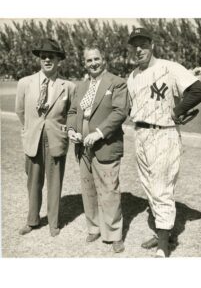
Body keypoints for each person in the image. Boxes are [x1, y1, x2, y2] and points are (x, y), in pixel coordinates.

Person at [127, 27, 201, 257]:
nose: (139, 49)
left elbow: (199, 90)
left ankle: (163, 246)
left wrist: (178, 109)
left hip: (163, 134)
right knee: (149, 187)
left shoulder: (169, 67)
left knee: (162, 188)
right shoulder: (132, 76)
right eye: (135, 45)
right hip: (140, 134)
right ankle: (163, 232)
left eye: (143, 43)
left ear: (152, 45)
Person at [67, 44, 129, 253]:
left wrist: (99, 133)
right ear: (84, 63)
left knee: (109, 190)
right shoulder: (81, 86)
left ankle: (114, 234)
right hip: (82, 147)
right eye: (88, 60)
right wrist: (71, 130)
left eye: (96, 59)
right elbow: (73, 111)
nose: (92, 63)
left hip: (106, 144)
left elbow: (120, 112)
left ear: (104, 60)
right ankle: (93, 227)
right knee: (88, 188)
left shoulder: (117, 83)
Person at [16, 38, 75, 237]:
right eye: (43, 57)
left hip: (56, 138)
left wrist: (63, 131)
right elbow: (20, 111)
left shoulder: (68, 86)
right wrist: (31, 129)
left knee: (55, 182)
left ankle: (53, 222)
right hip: (34, 138)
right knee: (33, 182)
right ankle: (32, 220)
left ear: (59, 60)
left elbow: (71, 114)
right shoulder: (25, 83)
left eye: (51, 56)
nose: (47, 59)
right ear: (39, 60)